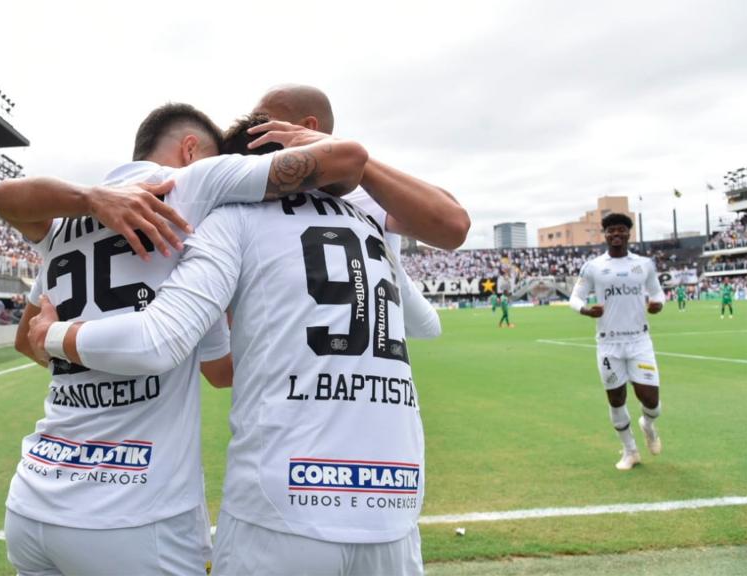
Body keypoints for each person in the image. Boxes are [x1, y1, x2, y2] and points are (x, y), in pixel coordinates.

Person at [31, 116, 438, 576]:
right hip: (393, 504)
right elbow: (427, 323)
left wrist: (52, 336)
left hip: (279, 504)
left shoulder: (227, 218)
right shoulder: (371, 226)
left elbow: (154, 340)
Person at [251, 84, 469, 251]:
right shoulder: (250, 183)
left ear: (307, 127)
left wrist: (350, 161)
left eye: (262, 122)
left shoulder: (364, 193)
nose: (252, 131)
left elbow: (453, 227)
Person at [569, 213, 664, 471]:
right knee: (616, 399)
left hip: (639, 341)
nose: (616, 234)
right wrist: (586, 311)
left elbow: (657, 294)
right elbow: (575, 298)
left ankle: (648, 425)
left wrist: (657, 306)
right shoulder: (593, 267)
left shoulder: (644, 265)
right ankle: (630, 451)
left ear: (628, 233)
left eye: (621, 229)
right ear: (605, 234)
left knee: (651, 402)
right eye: (611, 230)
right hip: (609, 345)